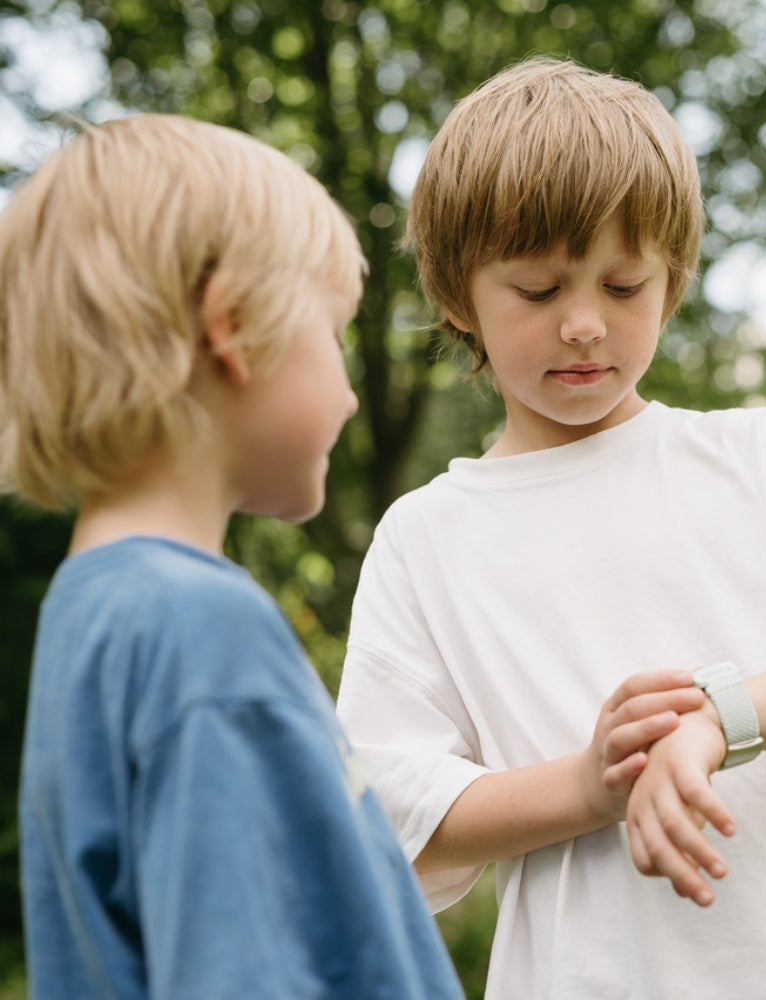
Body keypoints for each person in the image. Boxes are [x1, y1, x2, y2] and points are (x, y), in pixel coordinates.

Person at [336, 57, 766, 1000]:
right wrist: (590, 786)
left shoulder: (761, 457)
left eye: (625, 283)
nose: (586, 325)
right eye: (538, 290)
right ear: (454, 296)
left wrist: (719, 720)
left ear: (673, 280)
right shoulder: (425, 538)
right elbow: (392, 819)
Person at [0, 114, 467, 1000]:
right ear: (231, 323)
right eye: (334, 334)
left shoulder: (91, 612)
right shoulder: (198, 628)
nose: (348, 390)